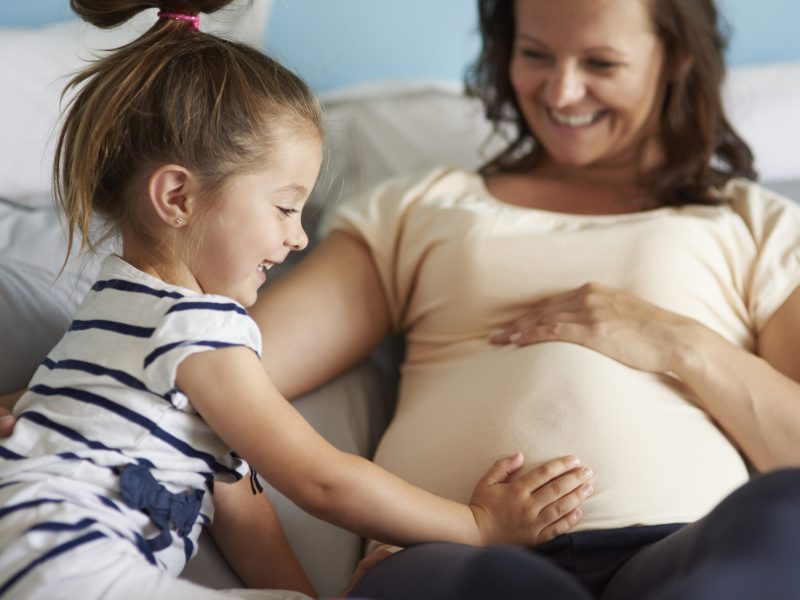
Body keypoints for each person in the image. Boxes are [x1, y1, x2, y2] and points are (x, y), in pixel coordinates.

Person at [0, 1, 597, 599]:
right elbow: (322, 481)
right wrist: (477, 525)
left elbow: (243, 513)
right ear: (177, 196)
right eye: (285, 207)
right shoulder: (198, 331)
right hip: (70, 555)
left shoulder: (116, 310)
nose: (298, 236)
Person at [237, 0, 797, 598]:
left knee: (785, 516)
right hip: (461, 557)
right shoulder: (422, 207)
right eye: (535, 55)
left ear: (675, 60)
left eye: (602, 63)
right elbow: (230, 361)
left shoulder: (752, 223)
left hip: (682, 550)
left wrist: (682, 344)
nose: (562, 91)